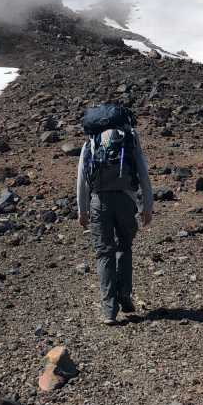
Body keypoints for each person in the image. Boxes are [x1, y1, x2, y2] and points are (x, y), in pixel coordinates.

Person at [76, 104, 153, 324]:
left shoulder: (91, 142)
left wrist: (82, 210)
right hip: (126, 200)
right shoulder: (128, 139)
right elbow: (142, 173)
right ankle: (124, 294)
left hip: (99, 201)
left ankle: (109, 310)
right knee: (124, 247)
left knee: (104, 253)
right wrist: (147, 206)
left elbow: (82, 179)